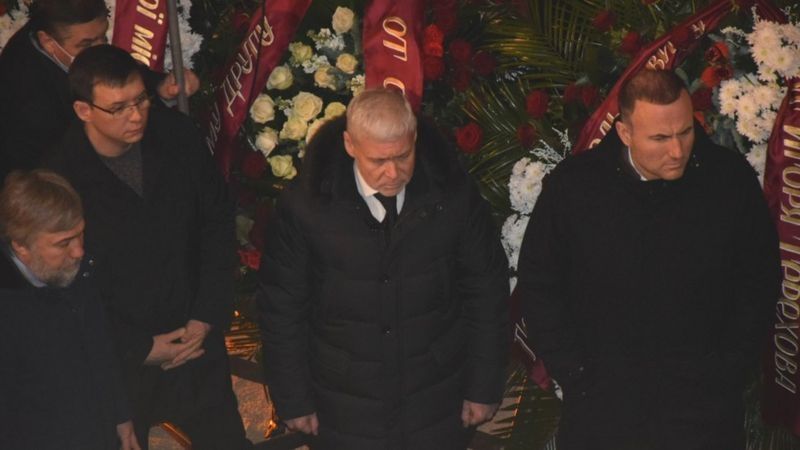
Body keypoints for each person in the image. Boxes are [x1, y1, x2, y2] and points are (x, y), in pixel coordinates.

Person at [517, 69, 781, 449]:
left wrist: (728, 367)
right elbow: (540, 282)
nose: (677, 151)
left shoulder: (729, 180)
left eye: (685, 132)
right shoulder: (574, 188)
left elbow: (758, 279)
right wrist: (575, 372)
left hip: (705, 412)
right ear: (625, 132)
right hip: (601, 411)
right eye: (659, 138)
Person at [257, 88, 510, 449]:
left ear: (414, 138)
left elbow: (487, 292)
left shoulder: (454, 196)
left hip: (436, 397)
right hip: (342, 403)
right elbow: (282, 307)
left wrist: (484, 386)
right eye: (378, 160)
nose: (393, 173)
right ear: (350, 144)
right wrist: (293, 399)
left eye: (403, 156)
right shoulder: (306, 206)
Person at [46, 44, 248, 449]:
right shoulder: (59, 177)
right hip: (119, 363)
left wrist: (205, 317)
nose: (136, 115)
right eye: (118, 108)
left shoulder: (177, 135)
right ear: (84, 110)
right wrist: (138, 347)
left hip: (195, 340)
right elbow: (62, 286)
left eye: (140, 100)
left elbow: (216, 224)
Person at [0, 169, 140, 450]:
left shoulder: (78, 273)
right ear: (21, 246)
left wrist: (121, 419)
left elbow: (101, 352)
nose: (78, 252)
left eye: (80, 234)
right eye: (63, 243)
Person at [0, 0, 198, 181]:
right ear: (48, 43)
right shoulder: (25, 93)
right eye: (86, 44)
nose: (98, 50)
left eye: (102, 37)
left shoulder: (59, 34)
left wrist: (161, 88)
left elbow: (118, 69)